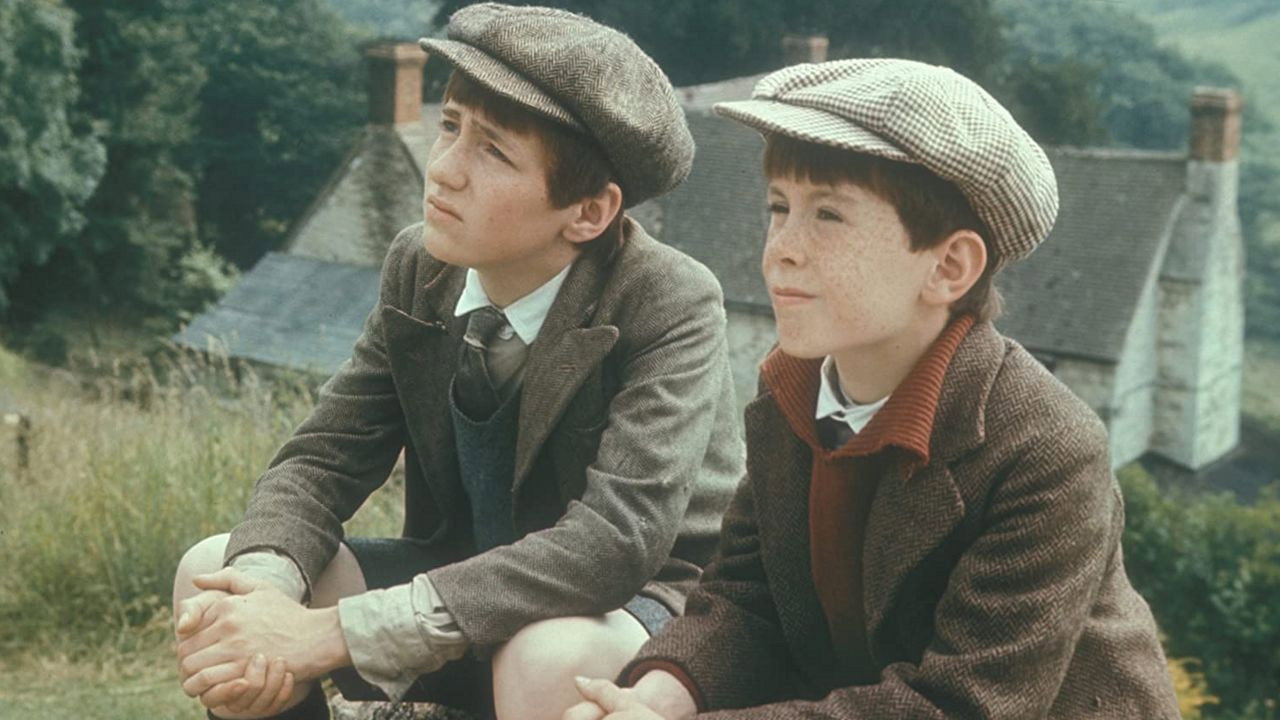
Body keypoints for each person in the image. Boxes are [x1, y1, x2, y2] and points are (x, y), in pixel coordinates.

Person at [170, 4, 744, 719]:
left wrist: (333, 634)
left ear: (589, 213)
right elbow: (322, 459)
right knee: (215, 581)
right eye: (449, 126)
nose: (443, 170)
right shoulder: (422, 266)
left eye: (493, 152)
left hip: (632, 609)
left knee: (547, 655)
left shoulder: (669, 299)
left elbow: (613, 544)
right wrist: (262, 596)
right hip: (459, 585)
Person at [565, 58, 1181, 720]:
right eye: (779, 207)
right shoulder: (790, 395)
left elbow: (957, 706)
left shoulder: (1046, 451)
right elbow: (746, 598)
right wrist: (654, 698)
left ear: (949, 267)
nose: (781, 248)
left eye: (829, 215)